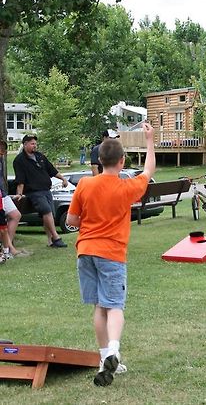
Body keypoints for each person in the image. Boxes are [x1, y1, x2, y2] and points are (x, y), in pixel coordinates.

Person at [67, 122, 156, 387]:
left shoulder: (84, 184)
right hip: (112, 253)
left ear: (99, 160)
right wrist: (150, 140)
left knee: (98, 306)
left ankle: (103, 356)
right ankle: (114, 351)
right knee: (114, 305)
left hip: (85, 251)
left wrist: (90, 223)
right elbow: (149, 170)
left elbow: (72, 220)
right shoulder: (126, 187)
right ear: (122, 161)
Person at [13, 135, 68, 248]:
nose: (35, 146)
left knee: (49, 216)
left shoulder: (40, 156)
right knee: (46, 211)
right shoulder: (19, 160)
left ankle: (50, 241)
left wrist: (63, 179)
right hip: (34, 192)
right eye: (32, 144)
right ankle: (56, 237)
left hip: (46, 190)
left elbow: (51, 170)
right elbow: (20, 179)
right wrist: (19, 194)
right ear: (25, 144)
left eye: (35, 144)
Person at [0, 140, 23, 257]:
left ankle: (8, 246)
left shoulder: (1, 160)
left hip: (3, 194)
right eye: (2, 150)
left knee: (16, 215)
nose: (3, 153)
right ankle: (9, 248)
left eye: (4, 149)